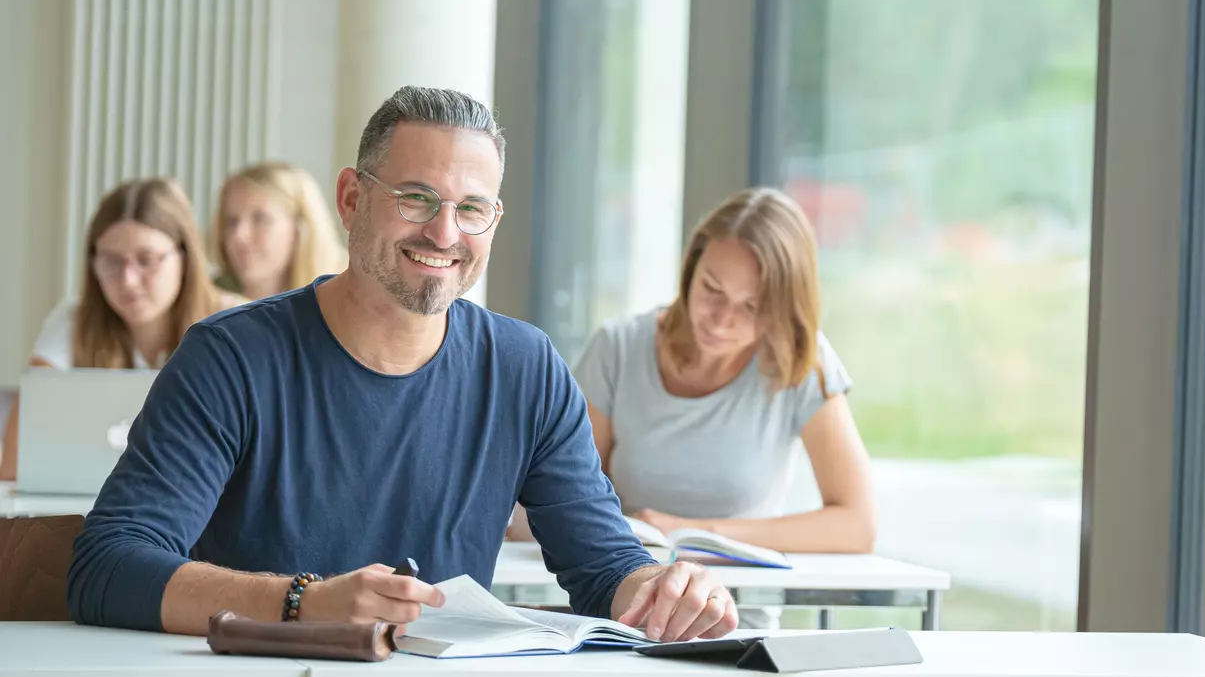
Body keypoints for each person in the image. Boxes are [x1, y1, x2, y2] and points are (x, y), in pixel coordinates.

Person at [66, 86, 737, 644]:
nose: (444, 234)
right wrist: (305, 602)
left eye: (471, 209)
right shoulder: (232, 357)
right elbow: (107, 567)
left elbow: (603, 566)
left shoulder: (526, 368)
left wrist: (664, 588)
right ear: (353, 199)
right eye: (416, 198)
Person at [509, 188, 875, 624]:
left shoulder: (801, 361)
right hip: (618, 614)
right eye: (711, 290)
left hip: (732, 624)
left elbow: (856, 523)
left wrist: (699, 536)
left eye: (751, 307)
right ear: (690, 271)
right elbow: (550, 500)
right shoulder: (620, 349)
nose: (721, 320)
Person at [0, 177, 244, 481]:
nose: (128, 280)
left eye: (146, 260)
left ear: (184, 257)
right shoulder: (73, 320)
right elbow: (14, 461)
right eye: (112, 261)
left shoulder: (236, 321)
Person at [210, 160, 347, 302]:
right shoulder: (208, 303)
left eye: (260, 219)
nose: (238, 236)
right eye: (231, 221)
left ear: (299, 227)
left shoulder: (343, 303)